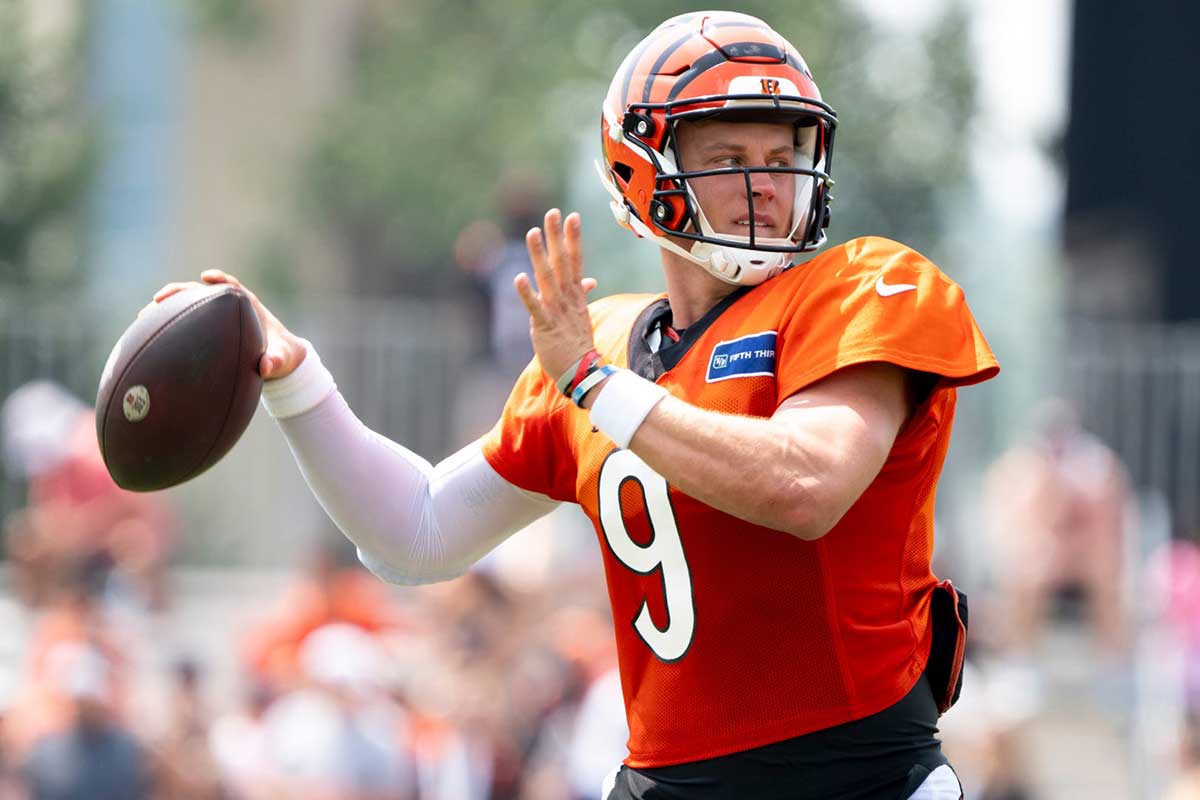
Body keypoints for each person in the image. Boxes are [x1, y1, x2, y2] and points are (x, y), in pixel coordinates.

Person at [150, 11, 998, 798]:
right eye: (727, 156)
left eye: (781, 158)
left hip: (856, 780)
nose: (763, 186)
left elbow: (808, 484)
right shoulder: (604, 341)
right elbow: (417, 533)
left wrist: (596, 384)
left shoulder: (863, 285)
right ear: (646, 170)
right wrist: (296, 382)